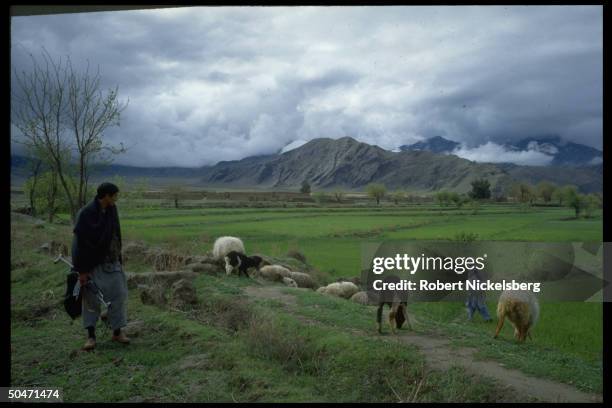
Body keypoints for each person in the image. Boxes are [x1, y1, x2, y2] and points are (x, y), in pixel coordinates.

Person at [72, 182, 130, 351]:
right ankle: (91, 336)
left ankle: (117, 332)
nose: (116, 199)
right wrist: (82, 271)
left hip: (112, 262)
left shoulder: (112, 210)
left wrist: (119, 257)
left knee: (119, 295)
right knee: (91, 300)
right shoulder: (86, 214)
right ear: (106, 196)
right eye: (115, 196)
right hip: (91, 264)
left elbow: (116, 234)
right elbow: (78, 244)